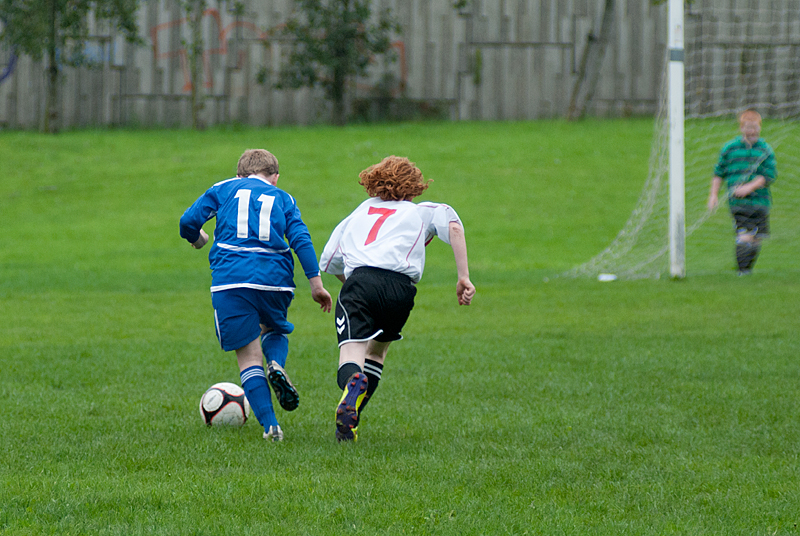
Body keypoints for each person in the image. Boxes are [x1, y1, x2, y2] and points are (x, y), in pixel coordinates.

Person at [319, 155, 475, 442]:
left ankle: (351, 389)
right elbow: (454, 226)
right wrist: (463, 276)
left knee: (352, 354)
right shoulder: (422, 211)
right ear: (415, 187)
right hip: (401, 290)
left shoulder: (359, 213)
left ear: (373, 182)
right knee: (377, 353)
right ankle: (350, 424)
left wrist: (353, 287)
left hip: (361, 282)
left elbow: (329, 260)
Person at [180, 149, 332, 442]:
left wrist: (199, 239)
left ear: (239, 174)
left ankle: (271, 427)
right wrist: (316, 284)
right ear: (275, 178)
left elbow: (187, 222)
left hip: (232, 280)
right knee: (274, 329)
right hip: (276, 280)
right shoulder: (284, 198)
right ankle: (276, 363)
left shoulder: (223, 188)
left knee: (249, 358)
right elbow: (300, 238)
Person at [707, 109, 777, 275]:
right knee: (744, 234)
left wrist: (749, 187)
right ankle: (742, 272)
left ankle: (747, 271)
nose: (751, 131)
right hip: (738, 203)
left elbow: (768, 175)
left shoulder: (765, 150)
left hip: (761, 201)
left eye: (754, 127)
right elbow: (718, 173)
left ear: (760, 128)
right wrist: (713, 195)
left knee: (757, 237)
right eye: (748, 127)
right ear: (741, 128)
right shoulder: (730, 148)